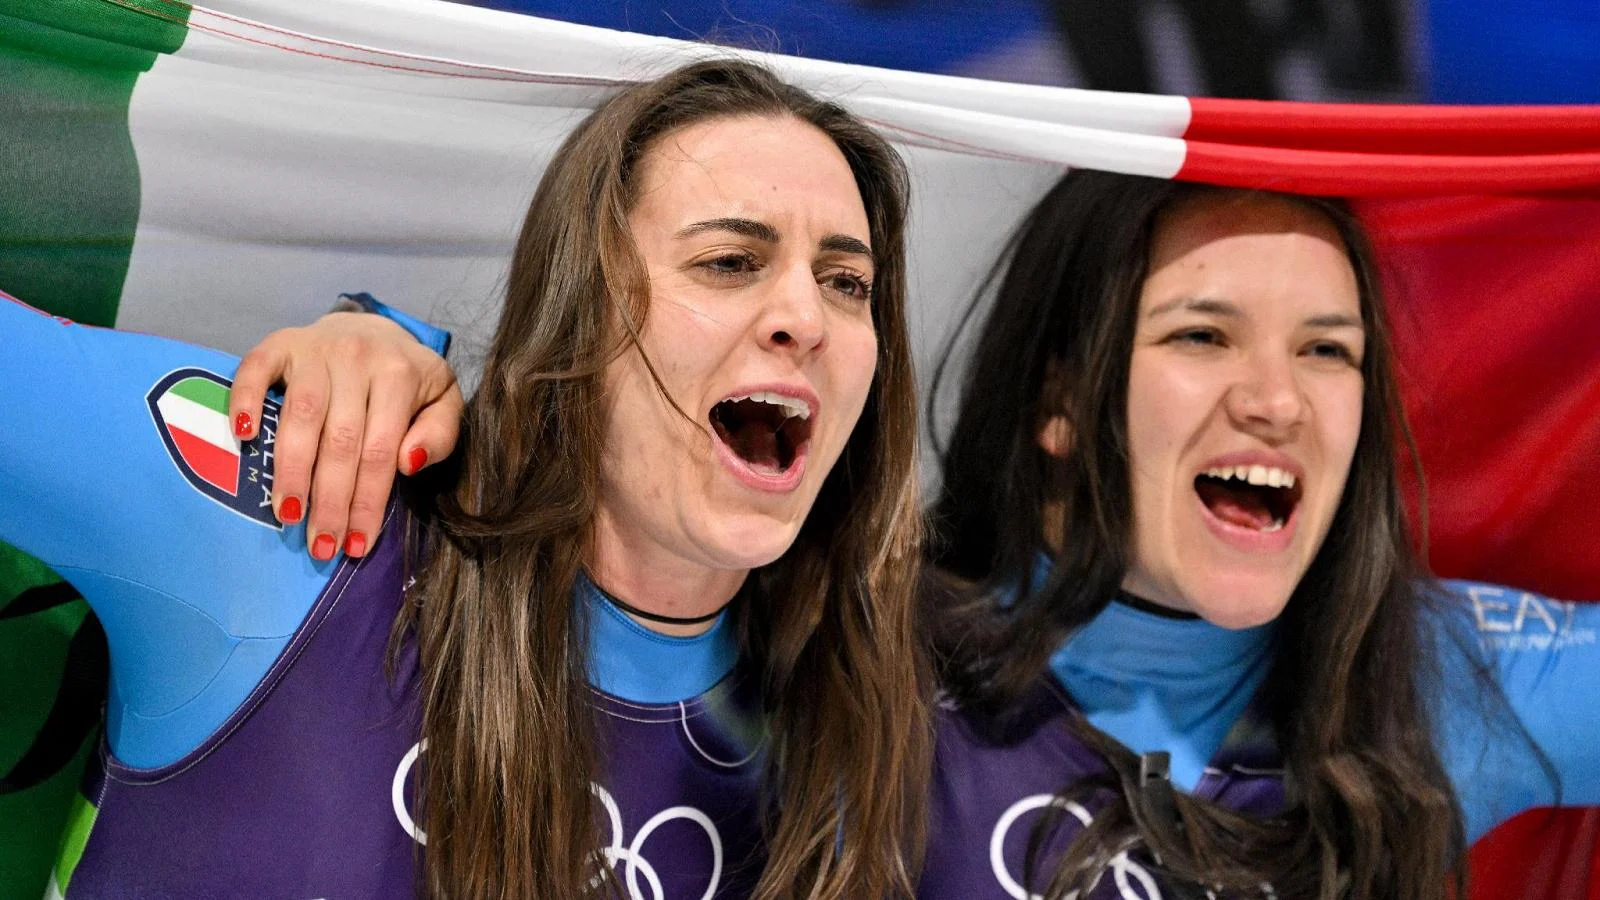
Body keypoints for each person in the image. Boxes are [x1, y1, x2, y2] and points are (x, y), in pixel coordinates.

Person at [0, 58, 931, 899]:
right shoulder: (302, 514)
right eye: (730, 261)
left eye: (848, 283)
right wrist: (368, 337)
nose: (805, 315)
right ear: (580, 321)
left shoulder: (845, 730)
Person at [917, 170, 1598, 899]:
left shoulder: (1432, 676)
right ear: (1063, 402)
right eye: (1203, 336)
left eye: (1326, 350)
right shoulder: (865, 683)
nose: (1278, 402)